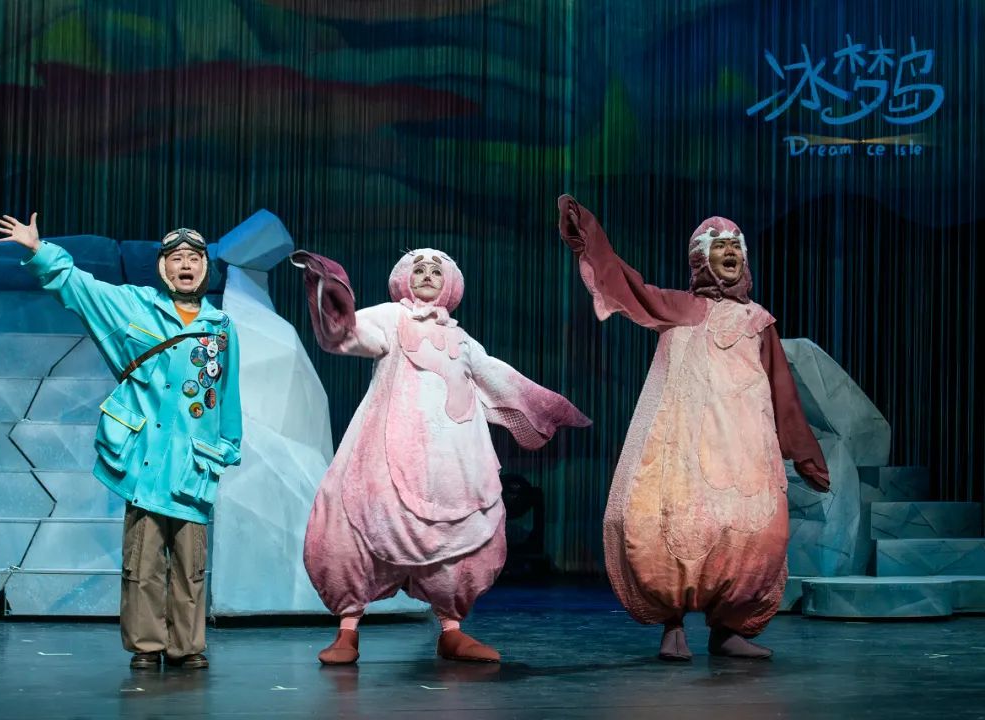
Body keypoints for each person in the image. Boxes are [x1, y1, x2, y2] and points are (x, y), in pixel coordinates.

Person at [556, 195, 829, 661]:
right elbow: (626, 285)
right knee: (674, 524)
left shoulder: (759, 321)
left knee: (755, 532)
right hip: (683, 442)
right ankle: (673, 622)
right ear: (701, 258)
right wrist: (591, 239)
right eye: (719, 245)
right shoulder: (678, 307)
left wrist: (805, 454)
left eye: (736, 246)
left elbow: (782, 389)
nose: (730, 252)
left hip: (744, 447)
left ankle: (728, 629)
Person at [291, 248, 590, 665]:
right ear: (404, 278)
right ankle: (348, 628)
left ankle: (451, 629)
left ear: (451, 283)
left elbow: (497, 377)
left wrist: (545, 407)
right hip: (387, 446)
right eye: (419, 268)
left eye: (437, 269)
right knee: (359, 521)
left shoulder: (462, 340)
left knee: (457, 533)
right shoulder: (393, 317)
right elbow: (349, 333)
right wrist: (331, 292)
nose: (428, 274)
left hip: (450, 457)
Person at [0, 214, 242, 669]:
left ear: (205, 267)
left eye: (194, 258)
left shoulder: (220, 326)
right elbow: (80, 287)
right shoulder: (135, 307)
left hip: (192, 462)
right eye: (176, 258)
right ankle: (147, 646)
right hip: (146, 458)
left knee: (190, 563)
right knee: (143, 560)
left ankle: (187, 647)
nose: (185, 265)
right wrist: (38, 249)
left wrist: (229, 444)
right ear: (163, 267)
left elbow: (227, 393)